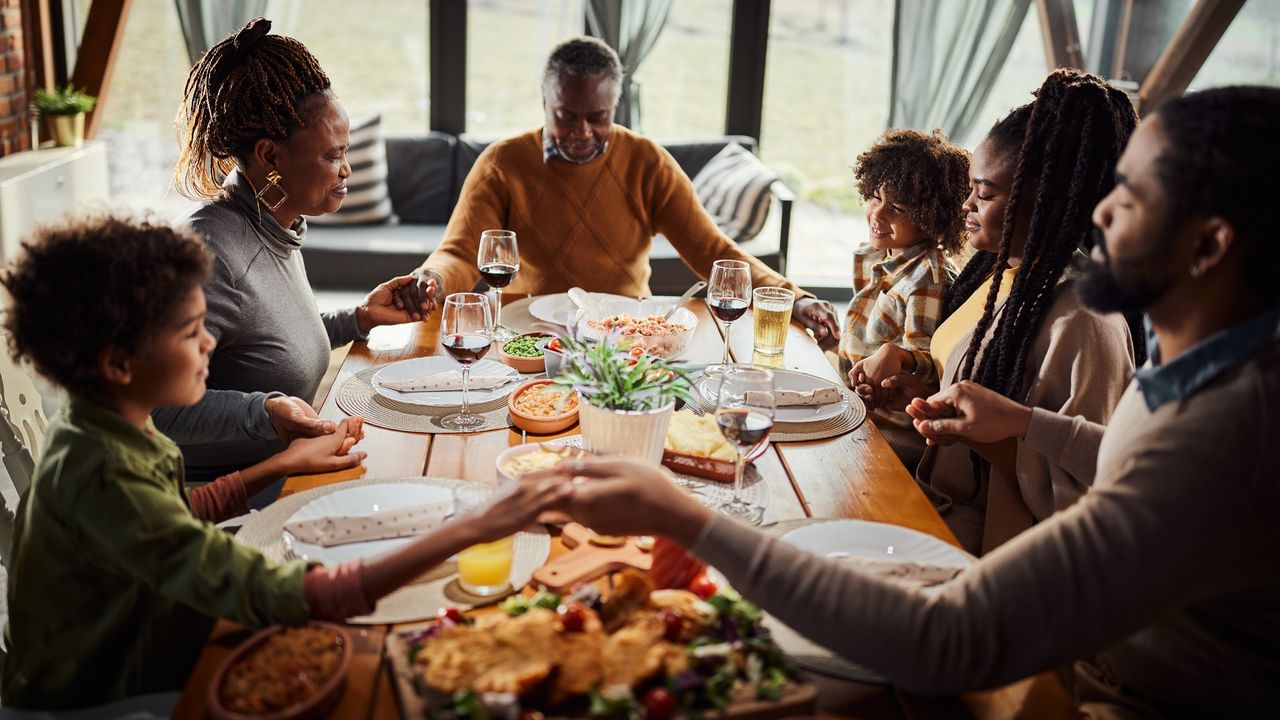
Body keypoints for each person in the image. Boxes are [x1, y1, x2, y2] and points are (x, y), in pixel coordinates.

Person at [552, 88, 1280, 717]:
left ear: (1209, 246)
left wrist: (676, 515)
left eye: (1132, 194)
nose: (1101, 211)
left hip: (1102, 696)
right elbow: (1126, 460)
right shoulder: (1210, 375)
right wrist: (1027, 423)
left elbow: (952, 642)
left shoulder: (1227, 438)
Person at [0, 215, 571, 709]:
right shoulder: (101, 469)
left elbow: (169, 515)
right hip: (106, 691)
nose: (209, 346)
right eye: (192, 332)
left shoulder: (104, 419)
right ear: (119, 363)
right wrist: (472, 528)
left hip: (145, 633)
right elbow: (275, 589)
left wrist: (282, 464)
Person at [391, 36, 841, 348]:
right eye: (566, 116)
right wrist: (429, 279)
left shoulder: (647, 161)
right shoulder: (503, 161)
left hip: (628, 335)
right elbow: (460, 253)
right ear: (544, 103)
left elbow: (713, 250)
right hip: (524, 333)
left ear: (615, 106)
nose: (581, 132)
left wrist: (794, 296)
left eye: (598, 117)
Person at [852, 70, 1138, 553]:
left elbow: (1090, 490)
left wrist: (976, 434)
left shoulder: (1086, 322)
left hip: (991, 552)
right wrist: (927, 397)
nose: (965, 205)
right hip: (938, 502)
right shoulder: (997, 273)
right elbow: (992, 400)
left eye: (984, 194)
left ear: (1049, 202)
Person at [156, 18, 419, 486]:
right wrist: (265, 412)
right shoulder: (209, 253)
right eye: (332, 156)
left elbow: (262, 345)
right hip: (219, 496)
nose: (347, 171)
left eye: (346, 152)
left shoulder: (274, 223)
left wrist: (358, 319)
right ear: (270, 157)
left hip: (282, 467)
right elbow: (155, 406)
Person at [838, 129, 969, 466]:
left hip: (891, 427)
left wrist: (897, 359)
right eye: (875, 197)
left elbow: (928, 361)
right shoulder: (878, 254)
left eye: (897, 207)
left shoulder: (928, 279)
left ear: (932, 217)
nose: (878, 214)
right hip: (857, 399)